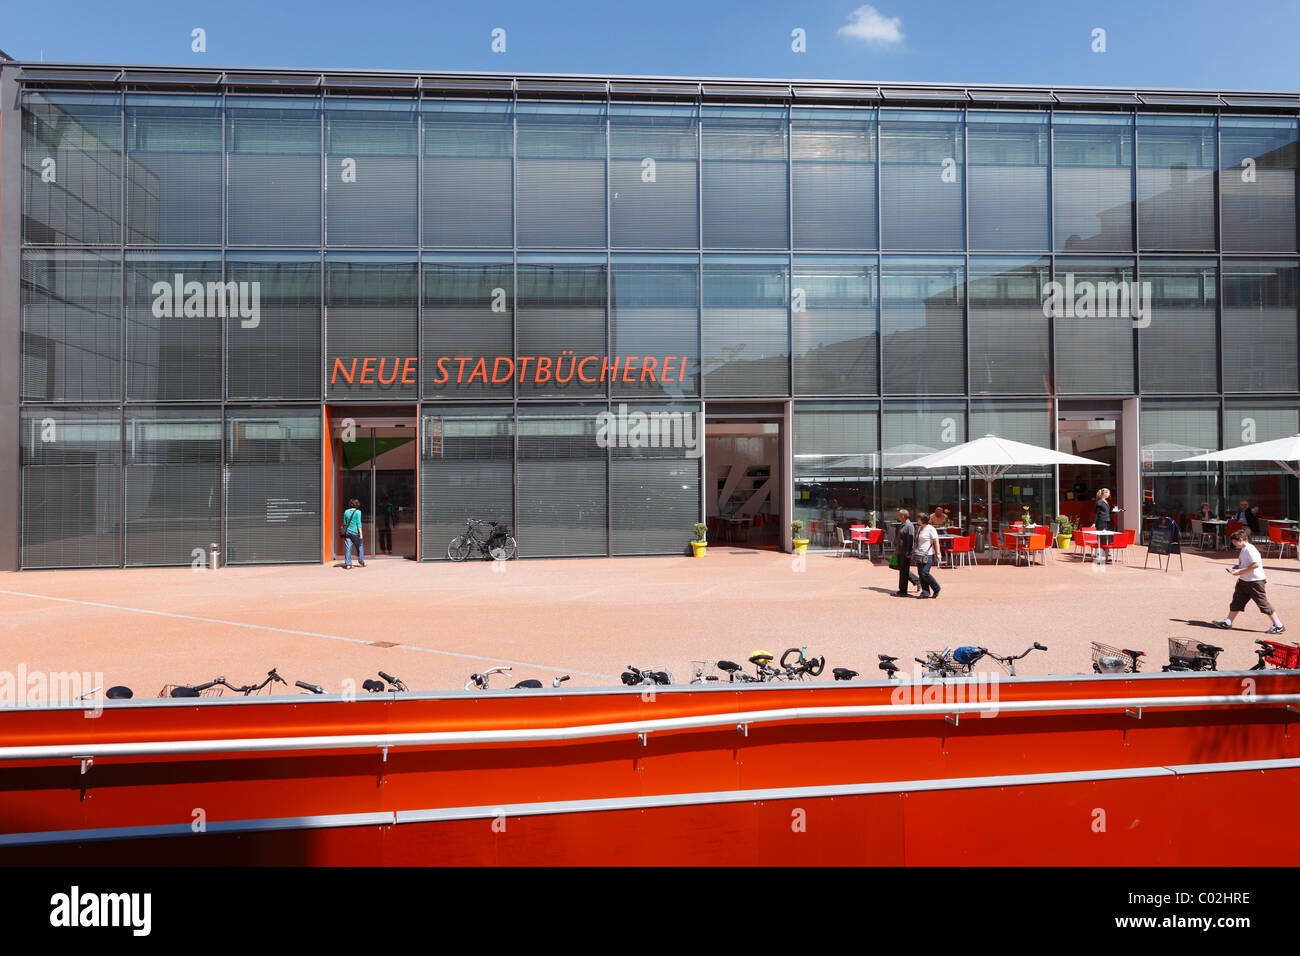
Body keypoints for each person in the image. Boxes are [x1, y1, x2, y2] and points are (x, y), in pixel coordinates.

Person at [1214, 529, 1285, 634]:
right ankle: (1228, 622)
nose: (1234, 544)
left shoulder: (1250, 549)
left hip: (1254, 582)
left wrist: (1240, 571)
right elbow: (1247, 564)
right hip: (1244, 580)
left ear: (1241, 540)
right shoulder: (1244, 549)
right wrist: (1237, 568)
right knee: (1237, 601)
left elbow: (1256, 564)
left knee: (1262, 603)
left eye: (1234, 542)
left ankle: (1278, 625)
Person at [893, 509, 921, 596]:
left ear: (903, 516)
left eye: (899, 515)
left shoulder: (909, 526)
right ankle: (914, 582)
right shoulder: (903, 525)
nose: (898, 517)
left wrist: (909, 552)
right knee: (902, 570)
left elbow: (911, 540)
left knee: (904, 571)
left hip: (905, 552)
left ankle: (903, 591)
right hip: (900, 551)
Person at [914, 513, 942, 599]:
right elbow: (916, 542)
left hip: (928, 554)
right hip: (919, 554)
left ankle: (936, 587)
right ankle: (925, 592)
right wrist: (913, 550)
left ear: (922, 520)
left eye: (918, 518)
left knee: (925, 573)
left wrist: (938, 553)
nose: (917, 520)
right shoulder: (919, 529)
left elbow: (936, 541)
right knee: (920, 574)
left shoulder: (931, 529)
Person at [342, 497, 365, 569]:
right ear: (357, 504)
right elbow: (359, 523)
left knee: (348, 548)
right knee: (360, 546)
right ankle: (361, 562)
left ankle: (348, 564)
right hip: (355, 532)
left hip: (347, 532)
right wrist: (361, 534)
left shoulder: (346, 511)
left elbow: (345, 523)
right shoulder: (358, 512)